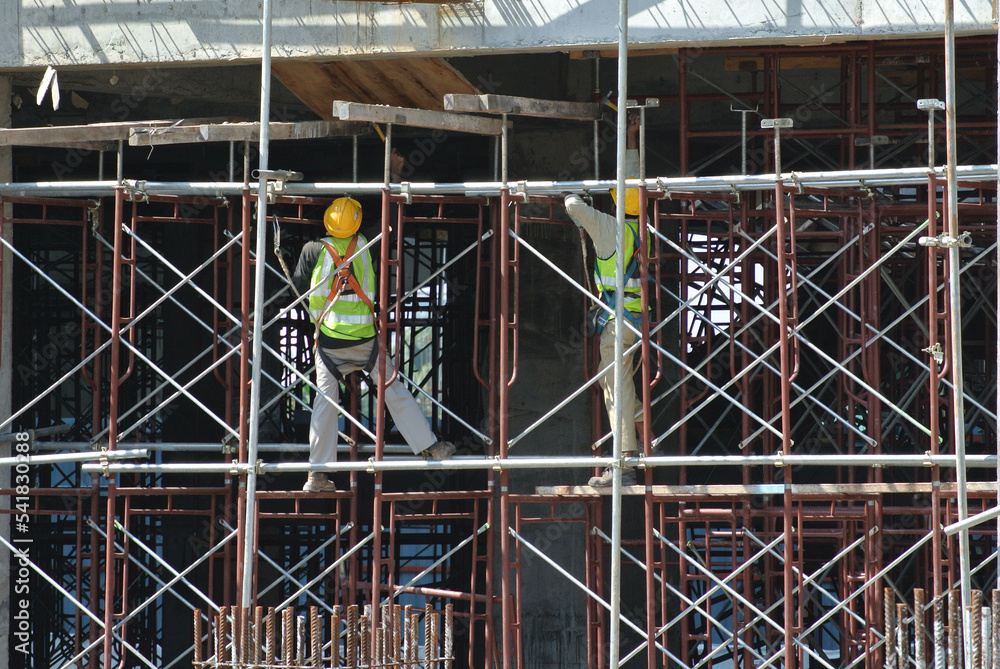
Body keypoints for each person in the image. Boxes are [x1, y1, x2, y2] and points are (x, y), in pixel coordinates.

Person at [293, 193, 456, 493]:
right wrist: (391, 180)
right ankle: (432, 447)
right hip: (366, 342)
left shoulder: (312, 249)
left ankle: (316, 475)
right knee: (394, 390)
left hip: (329, 344)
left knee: (324, 404)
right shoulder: (368, 242)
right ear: (355, 224)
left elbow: (298, 286)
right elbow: (390, 222)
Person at [563, 113, 646, 487]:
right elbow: (634, 184)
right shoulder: (645, 226)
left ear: (614, 198)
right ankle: (637, 418)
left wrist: (576, 194)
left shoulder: (609, 228)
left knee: (615, 386)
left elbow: (571, 206)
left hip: (618, 324)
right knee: (607, 378)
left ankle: (624, 461)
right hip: (638, 319)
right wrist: (631, 139)